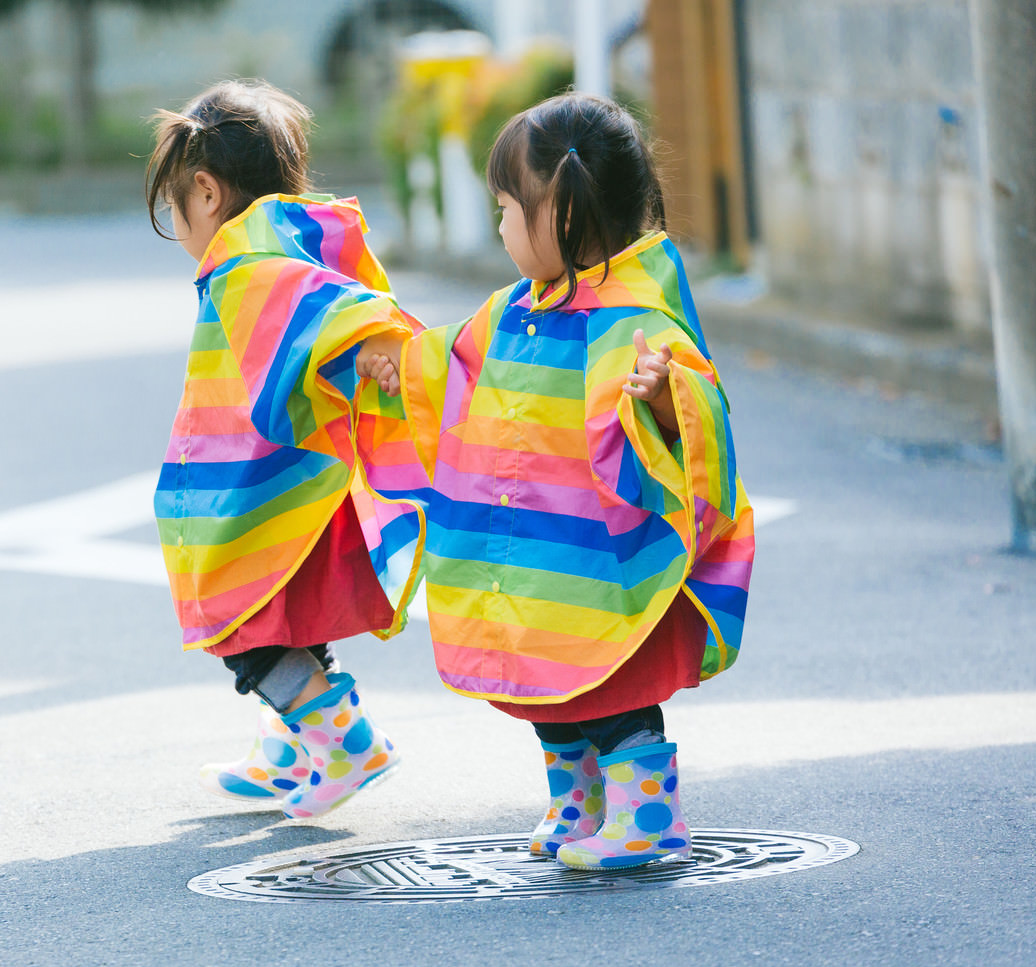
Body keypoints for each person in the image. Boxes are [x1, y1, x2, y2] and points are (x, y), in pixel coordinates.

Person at [361, 92, 755, 869]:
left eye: (509, 209)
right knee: (548, 685)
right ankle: (581, 802)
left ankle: (646, 815)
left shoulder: (634, 323)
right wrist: (393, 364)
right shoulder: (508, 310)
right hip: (531, 557)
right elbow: (450, 368)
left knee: (615, 693)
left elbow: (697, 420)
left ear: (564, 220)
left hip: (601, 567)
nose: (502, 227)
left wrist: (666, 403)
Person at [144, 80, 427, 820]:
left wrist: (363, 340)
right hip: (305, 487)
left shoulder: (250, 263)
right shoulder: (293, 237)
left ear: (204, 191)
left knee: (242, 625)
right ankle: (288, 748)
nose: (180, 224)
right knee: (285, 621)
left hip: (259, 492)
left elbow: (322, 307)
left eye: (174, 206)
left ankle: (344, 742)